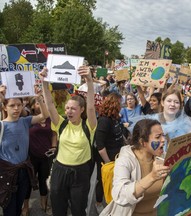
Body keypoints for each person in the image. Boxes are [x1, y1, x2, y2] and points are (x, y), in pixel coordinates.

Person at [40, 66, 97, 216]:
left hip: (81, 173)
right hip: (60, 171)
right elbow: (50, 104)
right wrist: (44, 82)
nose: (68, 111)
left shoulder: (89, 126)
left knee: (78, 210)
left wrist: (89, 81)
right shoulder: (61, 123)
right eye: (67, 108)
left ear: (82, 110)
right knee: (58, 209)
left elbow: (91, 107)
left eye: (73, 109)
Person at [100, 119, 171, 216]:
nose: (163, 140)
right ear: (142, 142)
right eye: (158, 137)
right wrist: (152, 177)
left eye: (163, 135)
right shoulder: (125, 161)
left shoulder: (162, 157)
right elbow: (120, 195)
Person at [0, 84, 49, 216]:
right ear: (4, 107)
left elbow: (45, 115)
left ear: (23, 106)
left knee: (18, 207)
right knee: (9, 209)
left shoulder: (25, 121)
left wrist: (39, 98)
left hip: (24, 172)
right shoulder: (1, 125)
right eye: (11, 105)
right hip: (7, 174)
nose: (16, 108)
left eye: (18, 105)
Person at [21, 96, 58, 216]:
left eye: (43, 102)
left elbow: (53, 133)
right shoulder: (28, 119)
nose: (41, 104)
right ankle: (25, 206)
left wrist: (54, 146)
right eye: (37, 103)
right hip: (30, 157)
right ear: (31, 106)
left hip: (46, 156)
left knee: (44, 180)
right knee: (28, 182)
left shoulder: (49, 119)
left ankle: (44, 203)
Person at [95, 92, 125, 213]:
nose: (122, 105)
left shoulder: (115, 117)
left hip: (118, 156)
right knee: (103, 181)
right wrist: (108, 162)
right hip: (107, 159)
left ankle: (113, 202)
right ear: (115, 104)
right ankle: (98, 203)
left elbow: (120, 135)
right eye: (120, 103)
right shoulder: (104, 120)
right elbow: (100, 145)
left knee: (116, 181)